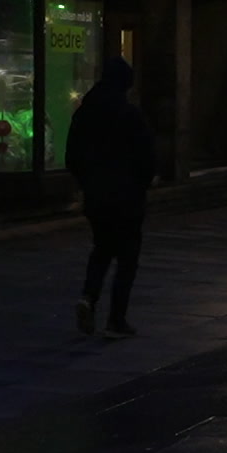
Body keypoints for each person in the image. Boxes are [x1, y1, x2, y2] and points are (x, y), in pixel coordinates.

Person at [66, 57, 155, 338]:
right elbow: (146, 156)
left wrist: (86, 183)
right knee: (127, 258)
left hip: (96, 195)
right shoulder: (130, 115)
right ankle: (116, 319)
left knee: (102, 249)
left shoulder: (84, 113)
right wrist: (141, 183)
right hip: (127, 196)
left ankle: (88, 297)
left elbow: (72, 156)